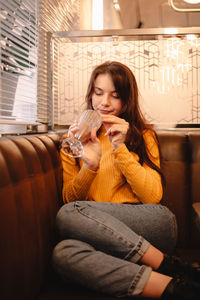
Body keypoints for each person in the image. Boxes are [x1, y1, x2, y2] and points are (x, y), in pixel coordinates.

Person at [52, 61, 200, 299]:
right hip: (101, 234)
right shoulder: (75, 142)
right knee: (63, 253)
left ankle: (161, 261)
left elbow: (153, 197)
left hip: (150, 223)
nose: (104, 102)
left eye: (115, 95)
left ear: (127, 100)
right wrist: (90, 165)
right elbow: (71, 199)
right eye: (98, 93)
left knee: (67, 214)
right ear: (90, 95)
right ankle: (177, 288)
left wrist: (120, 148)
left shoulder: (143, 136)